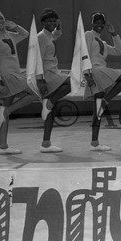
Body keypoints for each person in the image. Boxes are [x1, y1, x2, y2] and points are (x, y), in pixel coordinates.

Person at [0, 9, 36, 155]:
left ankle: (3, 146)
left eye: (1, 18)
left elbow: (25, 34)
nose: (0, 21)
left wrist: (14, 26)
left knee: (5, 109)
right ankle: (7, 111)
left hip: (16, 73)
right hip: (7, 76)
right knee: (34, 94)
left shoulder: (9, 35)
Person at [85, 11, 121, 151]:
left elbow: (119, 51)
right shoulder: (88, 35)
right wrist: (87, 75)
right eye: (96, 22)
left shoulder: (103, 43)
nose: (99, 25)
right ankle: (107, 99)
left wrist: (114, 34)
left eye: (101, 23)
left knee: (97, 109)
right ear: (92, 23)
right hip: (95, 71)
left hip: (101, 72)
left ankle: (94, 143)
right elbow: (84, 54)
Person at [36, 8, 71, 153]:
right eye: (49, 21)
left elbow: (57, 34)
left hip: (53, 72)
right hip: (47, 74)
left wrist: (59, 25)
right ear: (43, 22)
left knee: (50, 111)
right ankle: (50, 103)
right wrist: (40, 79)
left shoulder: (49, 35)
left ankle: (46, 143)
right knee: (72, 82)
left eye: (53, 20)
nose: (52, 23)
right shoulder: (41, 37)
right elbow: (37, 59)